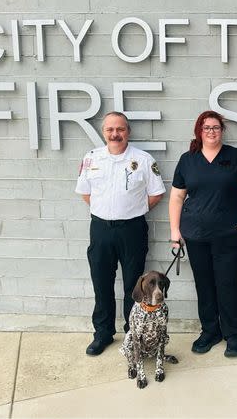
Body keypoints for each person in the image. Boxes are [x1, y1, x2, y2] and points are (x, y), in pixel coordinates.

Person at [169, 111, 237, 358]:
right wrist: (175, 232)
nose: (211, 131)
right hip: (195, 235)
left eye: (216, 127)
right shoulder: (188, 160)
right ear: (199, 130)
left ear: (222, 130)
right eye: (206, 127)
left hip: (229, 234)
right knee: (204, 285)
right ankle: (210, 331)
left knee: (227, 284)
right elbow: (177, 197)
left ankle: (232, 335)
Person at [76, 111, 166, 356]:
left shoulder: (143, 159)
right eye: (110, 130)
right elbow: (85, 193)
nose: (115, 134)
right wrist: (105, 211)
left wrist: (133, 210)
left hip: (132, 229)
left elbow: (157, 193)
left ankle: (132, 333)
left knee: (134, 285)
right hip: (101, 229)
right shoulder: (91, 158)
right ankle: (102, 333)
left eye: (120, 129)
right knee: (101, 283)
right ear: (104, 132)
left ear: (128, 132)